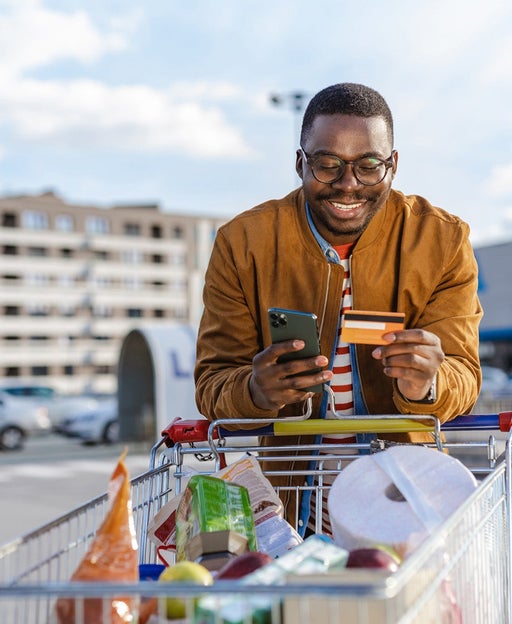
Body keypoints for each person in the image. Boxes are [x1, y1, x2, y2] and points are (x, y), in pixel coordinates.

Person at [194, 82, 482, 534]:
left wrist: (429, 382)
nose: (349, 185)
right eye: (327, 165)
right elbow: (212, 382)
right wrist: (256, 391)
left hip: (407, 507)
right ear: (299, 163)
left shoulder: (442, 240)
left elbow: (464, 375)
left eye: (369, 166)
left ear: (394, 165)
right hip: (295, 513)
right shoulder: (243, 244)